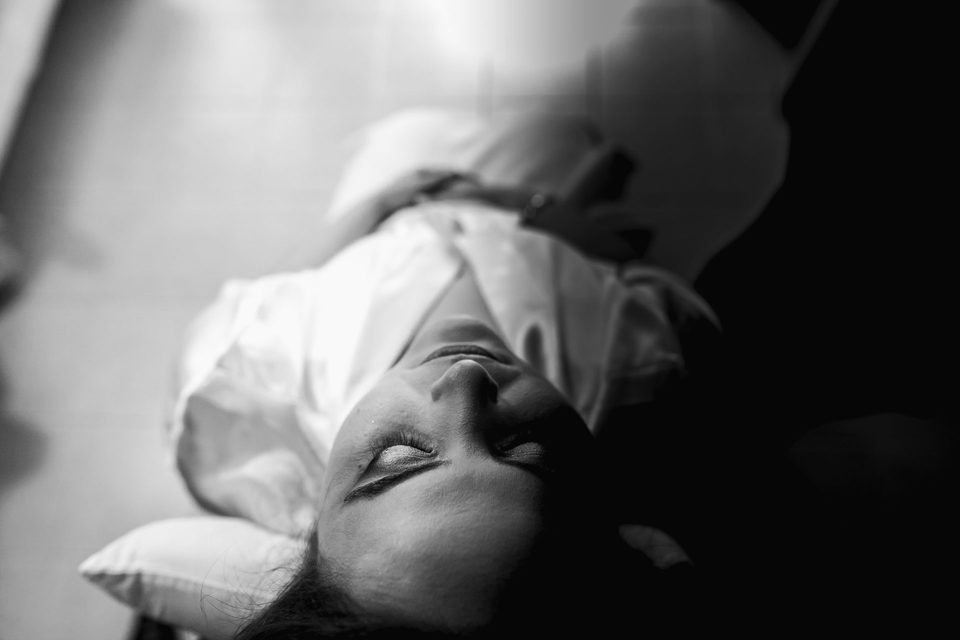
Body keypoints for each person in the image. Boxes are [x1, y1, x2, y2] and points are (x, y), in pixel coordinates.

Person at [168, 110, 718, 638]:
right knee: (562, 132)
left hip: (391, 216)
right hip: (540, 223)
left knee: (404, 132)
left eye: (397, 457)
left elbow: (280, 287)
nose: (466, 378)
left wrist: (383, 202)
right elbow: (644, 283)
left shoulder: (244, 384)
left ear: (312, 536)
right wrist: (542, 207)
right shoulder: (642, 366)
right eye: (531, 450)